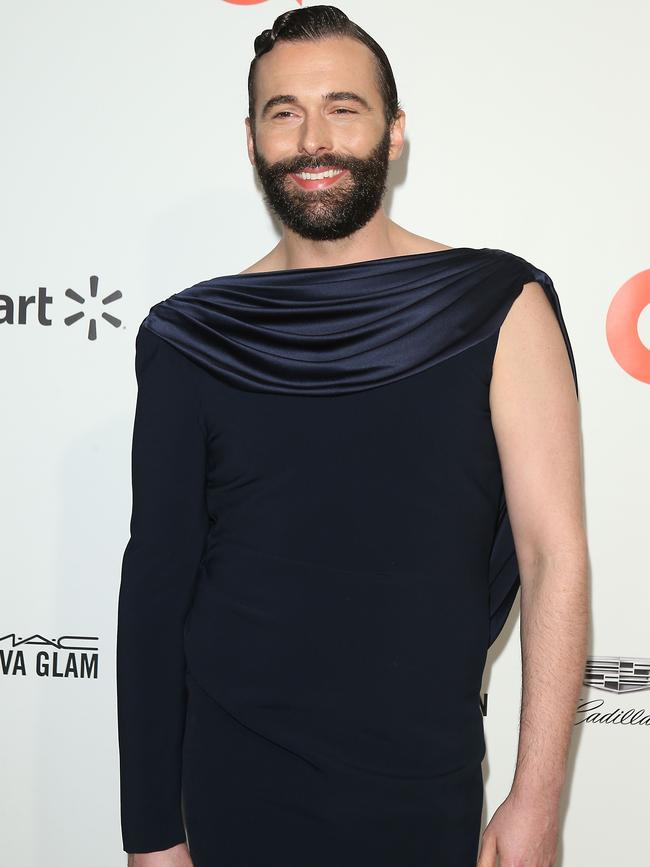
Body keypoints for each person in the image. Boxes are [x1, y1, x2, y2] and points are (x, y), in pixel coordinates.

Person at [116, 5, 589, 866]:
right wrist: (153, 834)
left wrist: (538, 798)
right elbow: (157, 587)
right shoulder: (190, 334)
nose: (313, 138)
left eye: (343, 107)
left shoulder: (496, 306)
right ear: (253, 140)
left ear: (394, 131)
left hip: (420, 783)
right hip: (230, 786)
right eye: (284, 112)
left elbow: (554, 554)